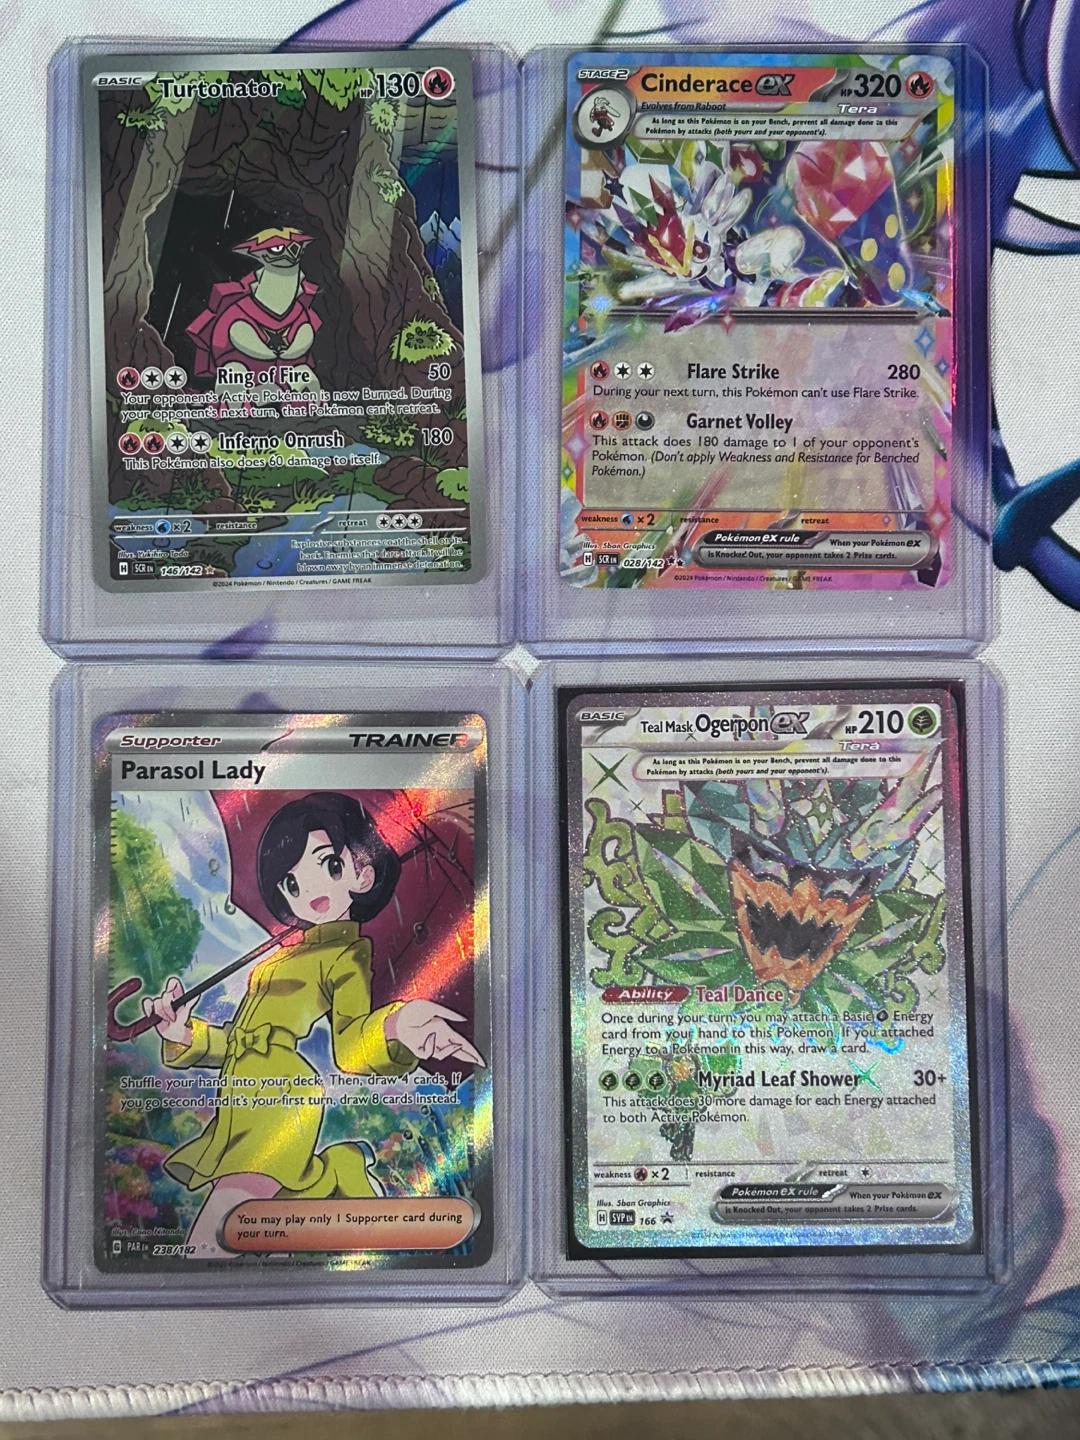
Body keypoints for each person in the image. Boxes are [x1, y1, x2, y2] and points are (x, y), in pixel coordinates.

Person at [145, 792, 483, 1259]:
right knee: (255, 1239)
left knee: (213, 1241)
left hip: (280, 1100)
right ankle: (335, 1177)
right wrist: (184, 1034)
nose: (309, 889)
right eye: (291, 881)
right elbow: (241, 1042)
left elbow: (350, 1044)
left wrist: (396, 1026)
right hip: (243, 1099)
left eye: (330, 865)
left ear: (363, 875)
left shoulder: (346, 955)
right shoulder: (280, 958)